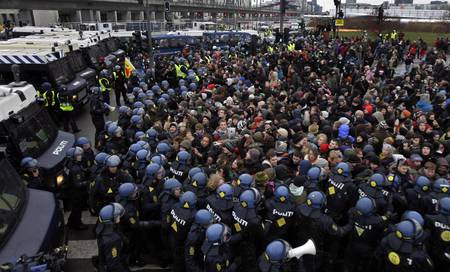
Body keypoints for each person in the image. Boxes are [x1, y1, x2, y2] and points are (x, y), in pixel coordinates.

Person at [96, 203, 129, 272]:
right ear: (111, 220)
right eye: (117, 216)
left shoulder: (102, 226)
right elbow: (113, 264)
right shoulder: (113, 239)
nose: (119, 216)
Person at [65, 147, 88, 230]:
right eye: (78, 155)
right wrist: (87, 182)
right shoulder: (75, 169)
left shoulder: (70, 165)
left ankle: (70, 222)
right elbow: (77, 184)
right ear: (73, 157)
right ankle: (78, 225)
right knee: (77, 209)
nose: (80, 156)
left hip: (71, 191)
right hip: (76, 193)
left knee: (75, 209)